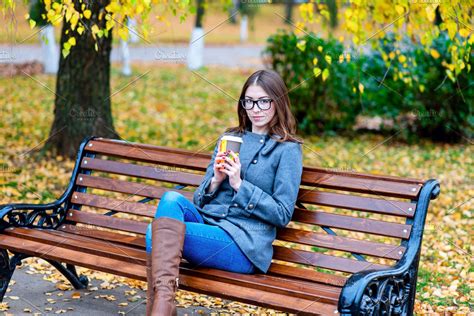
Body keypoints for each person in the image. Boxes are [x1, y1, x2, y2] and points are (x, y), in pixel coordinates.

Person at [145, 69, 304, 315]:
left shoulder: (287, 150)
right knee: (170, 199)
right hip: (211, 224)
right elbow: (199, 199)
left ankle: (160, 310)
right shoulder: (230, 138)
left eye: (263, 101)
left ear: (278, 102)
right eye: (249, 101)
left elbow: (282, 214)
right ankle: (164, 308)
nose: (255, 108)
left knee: (154, 233)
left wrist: (240, 185)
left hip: (243, 244)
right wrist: (216, 181)